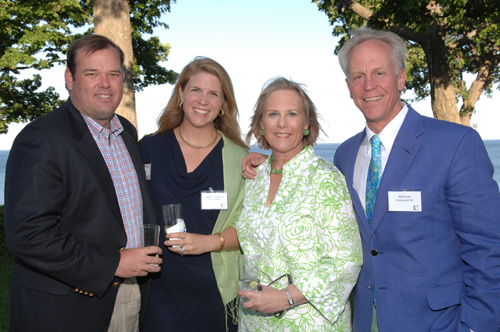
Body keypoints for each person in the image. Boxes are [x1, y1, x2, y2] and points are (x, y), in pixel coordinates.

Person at [4, 34, 162, 332]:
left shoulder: (125, 132)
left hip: (128, 295)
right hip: (66, 311)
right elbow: (27, 235)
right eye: (92, 74)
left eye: (113, 74)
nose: (105, 83)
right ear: (70, 78)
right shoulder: (41, 138)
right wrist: (112, 264)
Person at [236, 77, 362, 331]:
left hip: (309, 323)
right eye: (273, 114)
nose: (282, 123)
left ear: (306, 124)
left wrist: (285, 298)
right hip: (254, 321)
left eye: (292, 114)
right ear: (261, 125)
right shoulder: (255, 178)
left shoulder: (325, 179)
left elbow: (346, 260)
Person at [138, 56, 248, 332]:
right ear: (180, 94)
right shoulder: (148, 149)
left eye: (214, 94)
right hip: (156, 293)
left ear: (223, 104)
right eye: (196, 90)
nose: (203, 101)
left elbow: (253, 230)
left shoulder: (239, 160)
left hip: (215, 296)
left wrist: (209, 242)